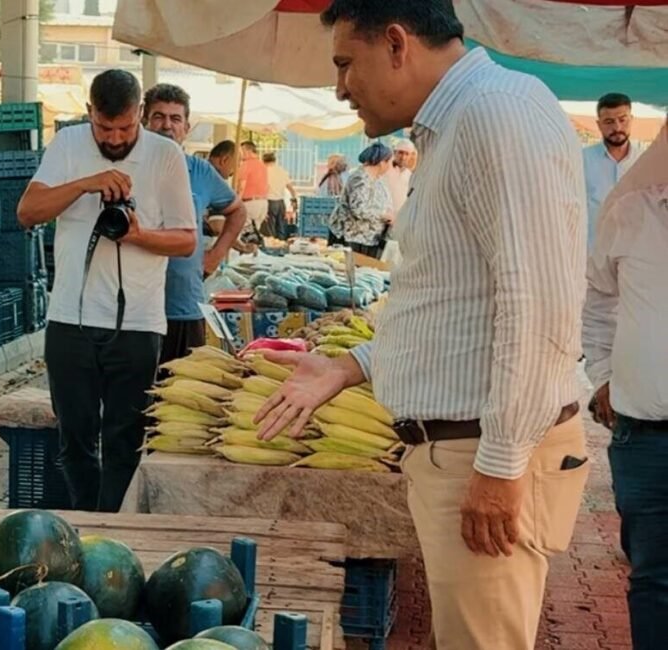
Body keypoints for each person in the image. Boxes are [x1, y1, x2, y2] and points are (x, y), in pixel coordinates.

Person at [253, 2, 588, 649]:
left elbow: (539, 302)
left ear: (398, 43)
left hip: (482, 450)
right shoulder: (458, 123)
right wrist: (352, 365)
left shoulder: (496, 113)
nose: (339, 88)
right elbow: (459, 303)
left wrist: (499, 466)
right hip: (464, 450)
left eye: (346, 64)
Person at [17, 69, 197, 513]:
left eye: (125, 127)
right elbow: (27, 212)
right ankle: (83, 525)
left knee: (125, 441)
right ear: (89, 114)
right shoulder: (68, 145)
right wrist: (86, 183)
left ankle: (113, 531)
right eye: (104, 127)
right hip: (70, 320)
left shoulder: (165, 156)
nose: (115, 138)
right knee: (74, 439)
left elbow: (187, 240)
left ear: (139, 114)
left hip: (137, 323)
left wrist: (136, 236)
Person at [582, 116, 667, 650]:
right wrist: (602, 375)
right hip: (644, 437)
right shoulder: (631, 212)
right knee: (654, 579)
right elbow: (598, 301)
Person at [142, 83, 247, 367]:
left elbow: (237, 211)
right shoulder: (130, 166)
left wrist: (215, 255)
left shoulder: (200, 172)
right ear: (144, 121)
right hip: (133, 310)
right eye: (158, 117)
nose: (167, 125)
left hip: (181, 305)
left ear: (186, 127)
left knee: (179, 397)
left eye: (175, 119)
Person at [584, 92, 639, 251]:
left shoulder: (645, 162)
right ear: (599, 124)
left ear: (631, 119)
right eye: (609, 122)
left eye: (622, 120)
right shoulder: (582, 160)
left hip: (634, 256)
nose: (617, 128)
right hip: (593, 256)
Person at [327, 143, 393, 257]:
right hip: (352, 237)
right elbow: (358, 209)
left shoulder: (378, 180)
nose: (389, 166)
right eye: (389, 162)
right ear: (382, 162)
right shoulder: (359, 179)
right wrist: (384, 216)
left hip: (367, 239)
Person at [236, 141, 269, 233]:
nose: (239, 155)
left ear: (246, 151)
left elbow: (242, 186)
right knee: (255, 233)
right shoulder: (262, 165)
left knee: (244, 233)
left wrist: (237, 203)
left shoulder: (246, 164)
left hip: (250, 203)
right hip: (263, 203)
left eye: (240, 151)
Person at [263, 152, 297, 239]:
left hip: (268, 202)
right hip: (281, 203)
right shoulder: (282, 171)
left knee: (270, 230)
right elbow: (291, 189)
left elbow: (262, 189)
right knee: (281, 228)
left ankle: (271, 248)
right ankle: (281, 246)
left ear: (263, 161)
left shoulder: (264, 172)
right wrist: (294, 202)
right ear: (275, 160)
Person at [383, 140, 414, 214]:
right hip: (383, 217)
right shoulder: (384, 169)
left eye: (407, 154)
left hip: (401, 217)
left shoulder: (410, 175)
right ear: (394, 152)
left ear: (410, 156)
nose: (403, 157)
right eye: (400, 152)